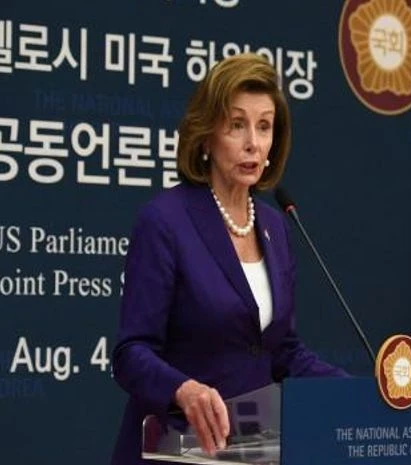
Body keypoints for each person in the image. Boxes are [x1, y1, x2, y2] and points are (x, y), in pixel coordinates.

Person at [110, 53, 347, 465]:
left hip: (251, 451)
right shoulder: (165, 221)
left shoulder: (275, 226)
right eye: (237, 125)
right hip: (175, 449)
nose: (253, 142)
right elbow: (131, 353)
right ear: (206, 134)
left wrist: (356, 392)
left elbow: (283, 352)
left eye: (264, 126)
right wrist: (184, 389)